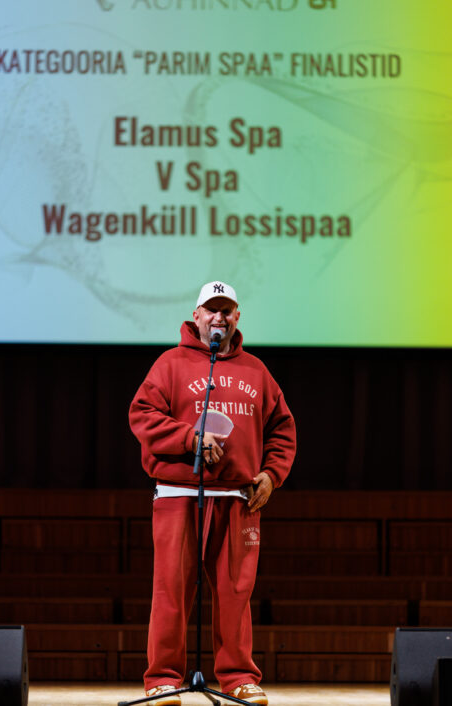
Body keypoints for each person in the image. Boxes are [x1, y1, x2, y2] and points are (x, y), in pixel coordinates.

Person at [129, 281, 296, 706]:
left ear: (236, 317)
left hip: (239, 498)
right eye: (211, 310)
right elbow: (142, 415)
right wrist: (189, 437)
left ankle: (238, 677)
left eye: (226, 310)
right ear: (197, 316)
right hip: (179, 494)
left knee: (235, 594)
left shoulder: (256, 370)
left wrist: (272, 474)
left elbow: (282, 428)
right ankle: (163, 679)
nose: (218, 317)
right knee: (171, 591)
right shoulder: (170, 364)